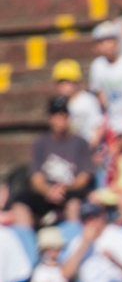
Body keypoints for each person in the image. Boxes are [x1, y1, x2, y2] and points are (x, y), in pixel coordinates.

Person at [9, 97, 93, 230]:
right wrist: (48, 190)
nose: (59, 120)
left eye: (62, 115)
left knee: (74, 204)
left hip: (71, 191)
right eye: (55, 116)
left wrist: (64, 188)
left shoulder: (80, 143)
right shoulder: (40, 143)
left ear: (68, 117)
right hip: (46, 192)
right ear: (50, 118)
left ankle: (73, 238)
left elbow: (83, 178)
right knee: (20, 203)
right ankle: (26, 239)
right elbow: (36, 177)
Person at [53, 60, 105, 147]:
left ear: (77, 82)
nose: (64, 86)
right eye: (60, 82)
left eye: (68, 81)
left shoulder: (88, 100)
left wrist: (91, 146)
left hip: (87, 146)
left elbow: (99, 126)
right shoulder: (58, 103)